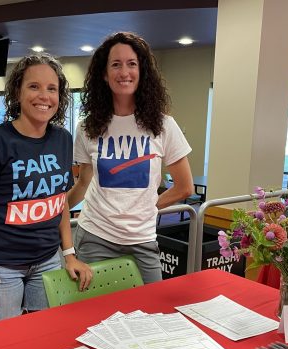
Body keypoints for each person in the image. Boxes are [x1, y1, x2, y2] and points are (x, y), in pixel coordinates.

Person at [0, 54, 92, 323]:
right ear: (17, 92)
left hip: (46, 261)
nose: (44, 96)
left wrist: (69, 255)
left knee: (41, 338)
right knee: (0, 348)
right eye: (34, 86)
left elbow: (60, 203)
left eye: (51, 89)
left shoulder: (62, 139)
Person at [68, 31, 194, 284]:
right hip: (94, 236)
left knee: (149, 315)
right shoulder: (87, 127)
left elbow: (184, 187)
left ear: (142, 71)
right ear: (104, 74)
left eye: (131, 64)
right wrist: (55, 212)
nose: (124, 72)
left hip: (142, 240)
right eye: (115, 64)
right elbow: (83, 182)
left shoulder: (163, 125)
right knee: (95, 316)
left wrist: (147, 207)